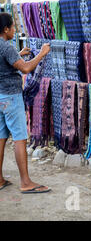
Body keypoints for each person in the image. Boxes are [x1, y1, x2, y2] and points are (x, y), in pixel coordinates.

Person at [0, 12, 51, 193]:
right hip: (11, 97)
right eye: (13, 27)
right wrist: (42, 54)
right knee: (20, 138)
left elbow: (7, 63)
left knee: (1, 137)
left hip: (0, 98)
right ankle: (26, 182)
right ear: (6, 29)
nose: (14, 30)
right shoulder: (6, 47)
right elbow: (27, 68)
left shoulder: (5, 48)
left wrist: (19, 55)